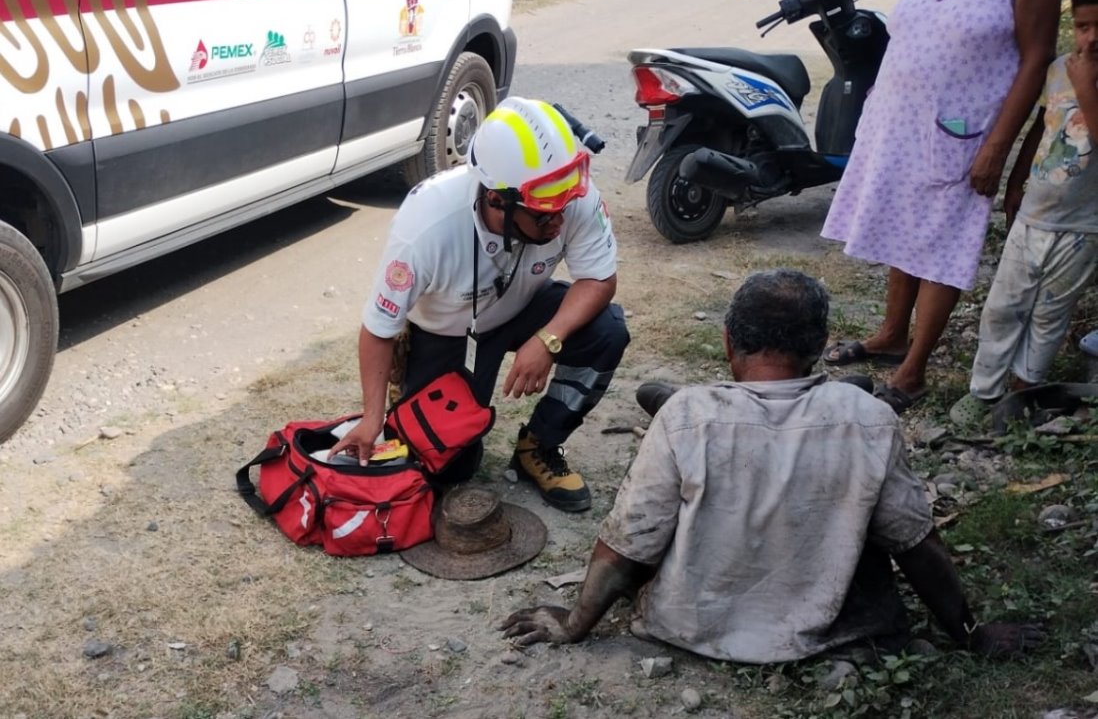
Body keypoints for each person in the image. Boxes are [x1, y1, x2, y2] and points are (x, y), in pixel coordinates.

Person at [501, 269, 1044, 662]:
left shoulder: (686, 415)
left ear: (727, 343)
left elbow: (630, 542)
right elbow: (914, 541)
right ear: (820, 348)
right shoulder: (868, 416)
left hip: (691, 628)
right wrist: (970, 631)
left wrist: (574, 623)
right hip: (835, 634)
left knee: (682, 453)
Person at [331, 97, 629, 513]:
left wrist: (548, 339)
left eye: (563, 209)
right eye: (545, 217)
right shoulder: (426, 226)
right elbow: (379, 328)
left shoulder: (564, 191)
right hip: (448, 331)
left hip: (524, 305)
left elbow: (599, 278)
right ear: (497, 200)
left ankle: (539, 446)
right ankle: (419, 395)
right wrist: (371, 417)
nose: (560, 221)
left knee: (608, 331)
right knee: (450, 469)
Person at [819, 0, 1062, 414]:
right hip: (898, 120)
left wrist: (998, 147)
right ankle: (893, 334)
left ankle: (913, 371)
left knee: (943, 240)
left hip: (964, 130)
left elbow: (1037, 57)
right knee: (904, 224)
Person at [951, 0, 1098, 429]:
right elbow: (1041, 126)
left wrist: (1086, 83)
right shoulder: (1059, 70)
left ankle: (1024, 387)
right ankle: (984, 390)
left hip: (1083, 227)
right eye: (1084, 26)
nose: (1091, 39)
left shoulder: (1082, 74)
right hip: (1035, 214)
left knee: (1051, 311)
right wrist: (1016, 182)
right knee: (1003, 306)